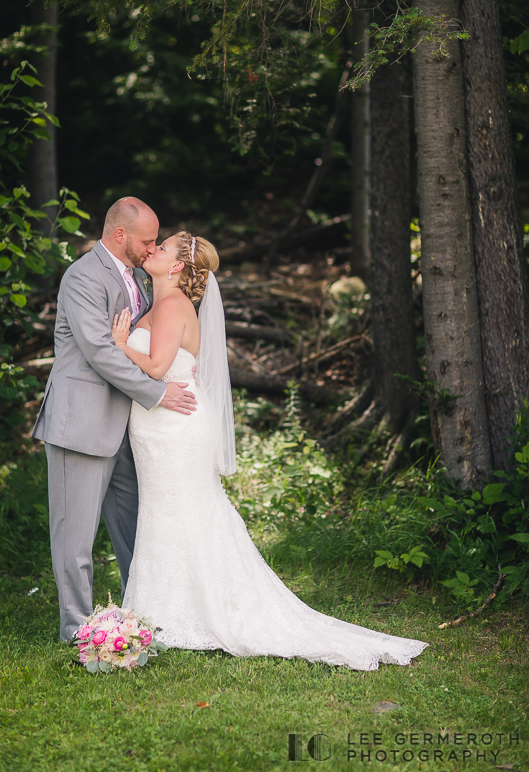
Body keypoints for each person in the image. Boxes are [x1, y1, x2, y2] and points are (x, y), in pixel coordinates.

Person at [111, 230, 429, 670]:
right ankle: (166, 608)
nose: (153, 249)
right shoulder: (162, 303)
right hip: (159, 427)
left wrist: (121, 345)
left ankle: (195, 610)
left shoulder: (171, 305)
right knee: (167, 512)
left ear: (178, 265)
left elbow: (158, 366)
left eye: (162, 247)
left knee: (184, 509)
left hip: (175, 429)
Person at [32, 197, 197, 642]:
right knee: (75, 538)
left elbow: (144, 341)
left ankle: (141, 613)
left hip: (128, 429)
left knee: (137, 528)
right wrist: (160, 392)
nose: (152, 248)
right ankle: (78, 629)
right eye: (146, 241)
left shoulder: (142, 278)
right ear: (120, 234)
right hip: (81, 426)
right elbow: (101, 351)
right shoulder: (83, 276)